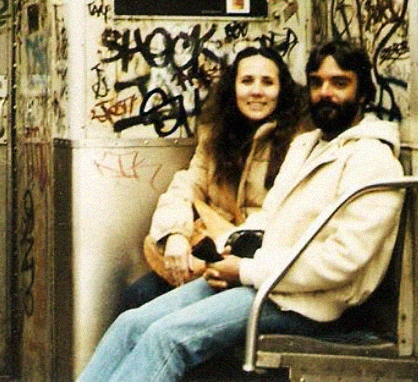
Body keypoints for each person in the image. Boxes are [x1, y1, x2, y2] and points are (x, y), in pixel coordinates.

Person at [77, 40, 404, 382]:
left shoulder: (371, 159)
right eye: (317, 83)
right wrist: (226, 251)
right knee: (132, 323)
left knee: (168, 338)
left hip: (310, 302)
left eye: (340, 83)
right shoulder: (308, 147)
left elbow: (342, 262)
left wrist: (246, 270)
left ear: (364, 92)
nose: (325, 93)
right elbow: (268, 216)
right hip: (264, 279)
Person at [122, 45, 306, 310]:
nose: (256, 90)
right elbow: (185, 187)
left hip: (254, 267)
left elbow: (282, 220)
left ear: (282, 90)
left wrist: (224, 253)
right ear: (233, 89)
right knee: (139, 295)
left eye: (267, 82)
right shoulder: (217, 135)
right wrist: (175, 234)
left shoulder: (298, 142)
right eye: (246, 81)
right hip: (209, 259)